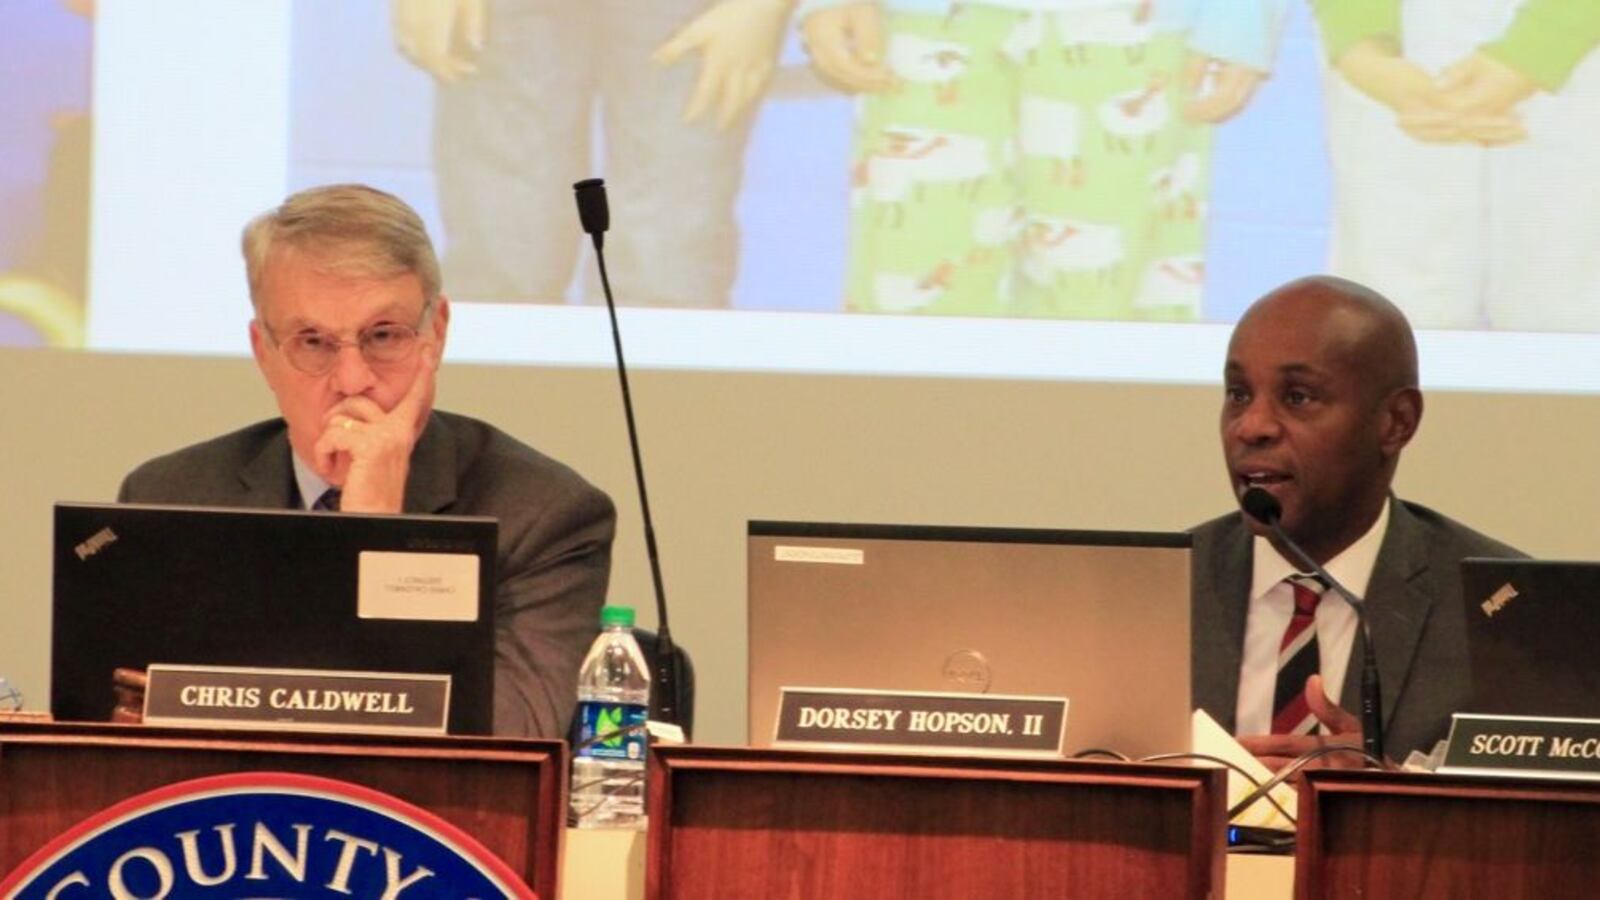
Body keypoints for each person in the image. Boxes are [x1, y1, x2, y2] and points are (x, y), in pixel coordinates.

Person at [118, 184, 616, 739]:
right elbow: (120, 728)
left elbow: (514, 742)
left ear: (437, 334)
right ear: (264, 352)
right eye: (312, 342)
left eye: (384, 335)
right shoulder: (170, 498)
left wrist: (376, 535)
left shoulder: (542, 515)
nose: (353, 379)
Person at [1190, 275, 1522, 770]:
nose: (1251, 426)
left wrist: (1384, 802)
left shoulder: (1499, 607)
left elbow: (1546, 828)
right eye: (1239, 393)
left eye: (1298, 397)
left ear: (1396, 422)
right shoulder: (1157, 586)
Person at [798, 0, 1288, 319]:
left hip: (1132, 32)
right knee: (907, 311)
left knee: (1102, 325)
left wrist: (1241, 14)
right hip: (924, 23)